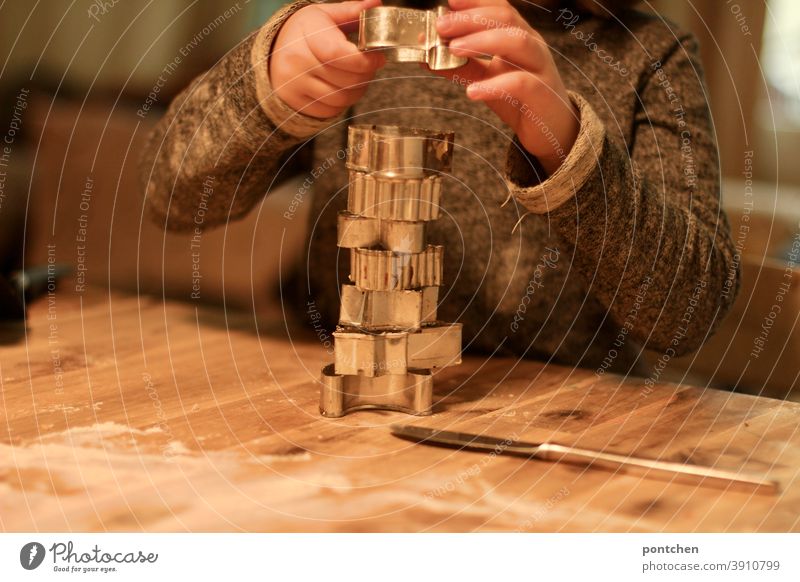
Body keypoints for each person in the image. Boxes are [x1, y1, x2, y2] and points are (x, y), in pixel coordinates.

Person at [140, 0, 740, 375]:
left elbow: (688, 313)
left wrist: (569, 149)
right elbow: (173, 196)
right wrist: (265, 88)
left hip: (560, 419)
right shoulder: (349, 21)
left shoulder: (649, 54)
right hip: (330, 387)